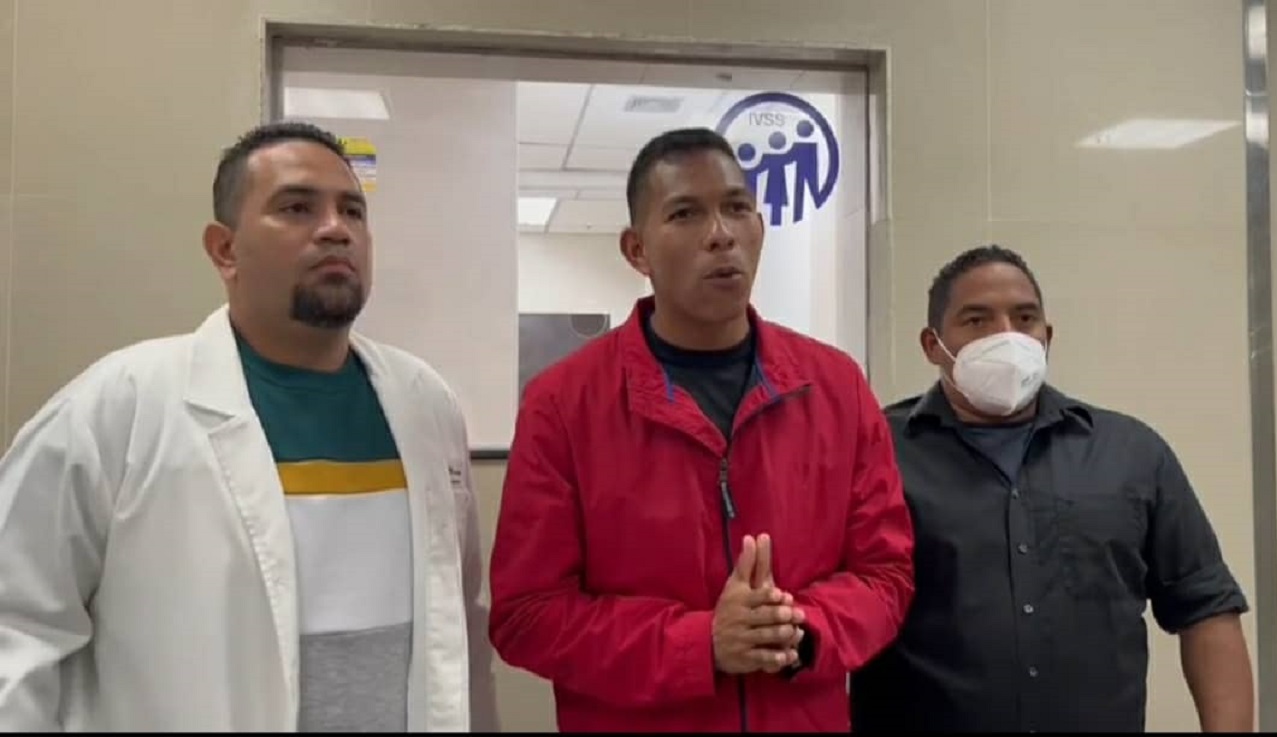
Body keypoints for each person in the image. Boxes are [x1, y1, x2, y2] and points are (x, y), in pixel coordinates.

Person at [0, 121, 499, 732]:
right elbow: (16, 627)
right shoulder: (116, 407)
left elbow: (457, 623)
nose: (336, 229)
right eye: (296, 208)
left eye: (352, 211)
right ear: (225, 250)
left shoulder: (425, 403)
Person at [488, 127, 915, 733]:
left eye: (737, 208)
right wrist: (700, 644)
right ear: (636, 250)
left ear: (759, 227)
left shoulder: (835, 387)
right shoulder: (563, 403)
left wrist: (800, 631)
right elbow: (527, 615)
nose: (721, 234)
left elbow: (886, 574)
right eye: (685, 213)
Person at [850, 245, 1254, 733]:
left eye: (1025, 319)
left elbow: (1206, 608)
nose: (1006, 335)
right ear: (933, 345)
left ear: (1048, 336)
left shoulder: (1130, 453)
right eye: (977, 320)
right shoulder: (874, 453)